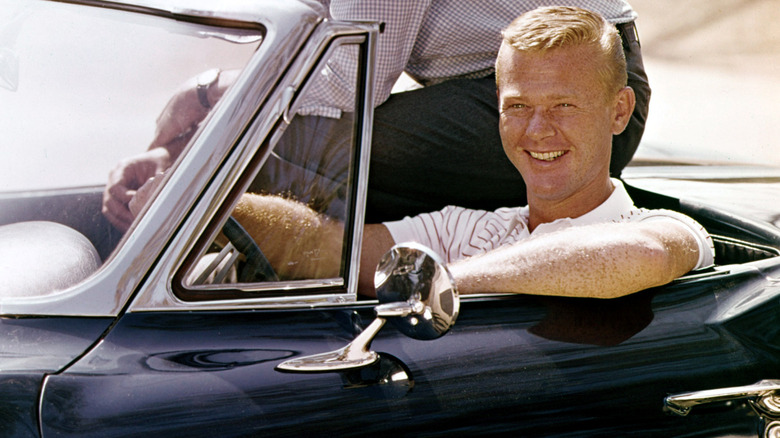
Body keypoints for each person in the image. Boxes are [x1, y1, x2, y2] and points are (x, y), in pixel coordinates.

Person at [231, 6, 714, 300]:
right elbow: (330, 250)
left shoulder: (665, 228)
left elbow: (637, 256)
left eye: (564, 106)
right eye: (517, 107)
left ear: (618, 111)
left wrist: (433, 283)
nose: (538, 130)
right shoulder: (467, 229)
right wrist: (219, 209)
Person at [102, 0, 650, 231]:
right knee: (289, 144)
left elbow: (348, 80)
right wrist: (179, 148)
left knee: (311, 150)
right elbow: (305, 46)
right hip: (493, 88)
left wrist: (204, 98)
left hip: (581, 90)